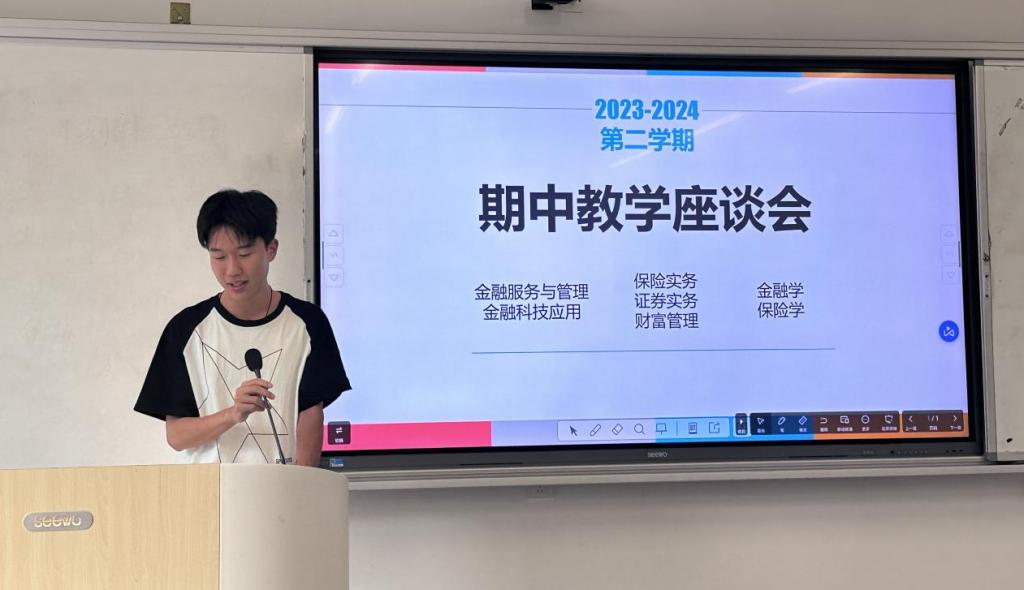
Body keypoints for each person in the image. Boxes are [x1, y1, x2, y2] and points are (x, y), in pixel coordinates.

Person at [134, 189, 350, 466]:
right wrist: (233, 413)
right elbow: (177, 436)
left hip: (282, 488)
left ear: (271, 249)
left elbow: (311, 417)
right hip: (210, 490)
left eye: (244, 253)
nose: (232, 270)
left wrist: (301, 486)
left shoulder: (307, 323)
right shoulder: (185, 329)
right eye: (219, 257)